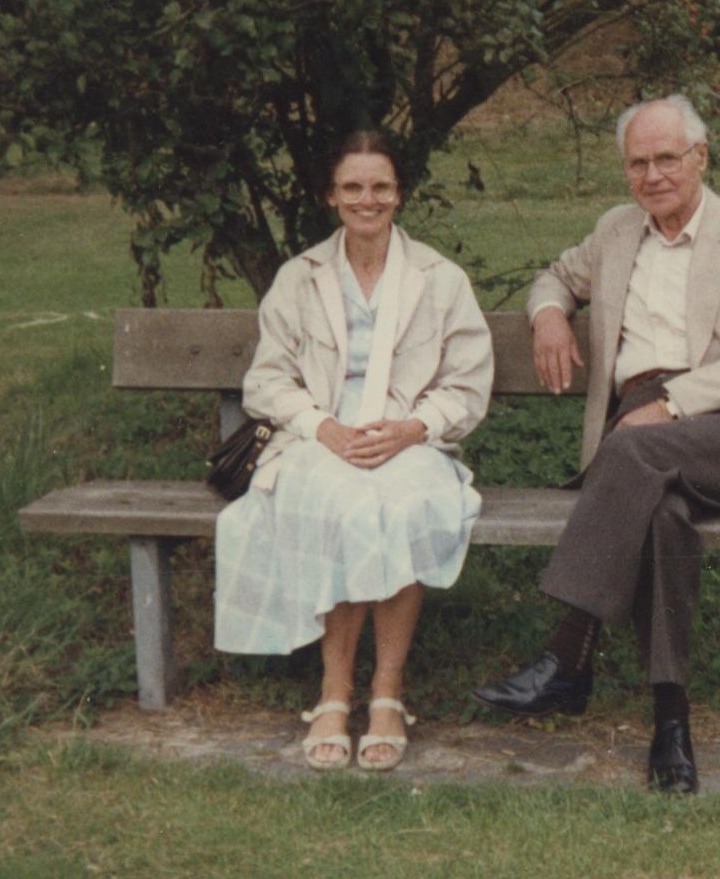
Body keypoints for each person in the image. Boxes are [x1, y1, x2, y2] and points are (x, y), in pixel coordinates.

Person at [473, 94, 720, 794]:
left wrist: (672, 405)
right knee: (662, 516)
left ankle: (568, 651)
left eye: (667, 159)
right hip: (642, 431)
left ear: (700, 158)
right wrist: (550, 314)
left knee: (626, 452)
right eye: (638, 163)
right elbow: (554, 276)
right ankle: (670, 724)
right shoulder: (617, 232)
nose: (653, 176)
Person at [215, 131, 494, 773]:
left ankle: (387, 693)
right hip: (319, 440)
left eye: (380, 187)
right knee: (343, 505)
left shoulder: (440, 279)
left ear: (399, 194)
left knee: (404, 505)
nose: (367, 200)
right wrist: (323, 427)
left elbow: (467, 384)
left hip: (409, 440)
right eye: (353, 187)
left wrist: (413, 429)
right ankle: (334, 693)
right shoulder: (300, 278)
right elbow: (268, 381)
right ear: (331, 196)